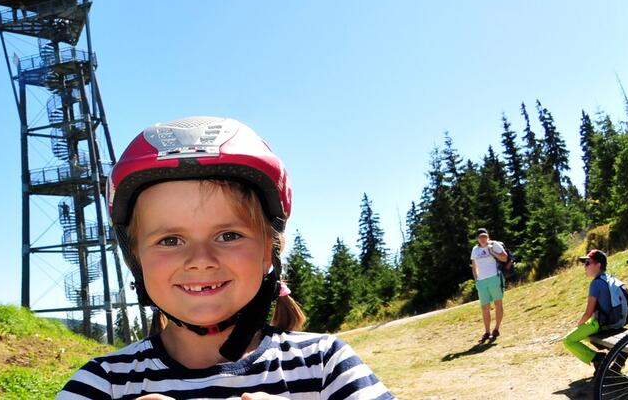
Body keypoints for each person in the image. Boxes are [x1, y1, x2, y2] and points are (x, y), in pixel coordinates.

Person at [57, 116, 391, 400]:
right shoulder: (103, 385)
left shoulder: (325, 367)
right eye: (170, 240)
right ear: (136, 257)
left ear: (268, 251)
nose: (200, 259)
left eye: (228, 235)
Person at [561, 249, 626, 375]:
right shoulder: (607, 278)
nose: (585, 266)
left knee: (568, 340)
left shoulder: (596, 284)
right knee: (582, 334)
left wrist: (579, 325)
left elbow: (588, 312)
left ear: (598, 265)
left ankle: (597, 358)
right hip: (614, 321)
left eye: (588, 263)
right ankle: (598, 358)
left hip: (600, 324)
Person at [470, 229, 508, 344]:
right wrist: (477, 280)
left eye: (485, 236)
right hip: (482, 281)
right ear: (477, 238)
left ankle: (496, 329)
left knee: (498, 303)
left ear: (488, 236)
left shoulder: (494, 245)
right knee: (484, 307)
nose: (483, 239)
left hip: (494, 278)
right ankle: (486, 332)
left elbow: (504, 258)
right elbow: (474, 266)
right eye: (481, 237)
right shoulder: (475, 249)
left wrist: (493, 252)